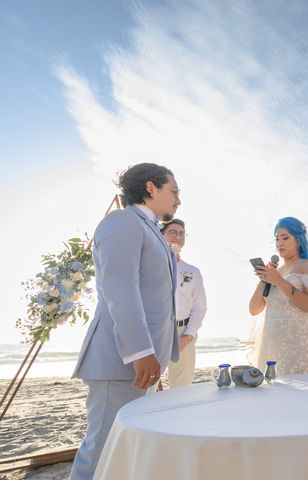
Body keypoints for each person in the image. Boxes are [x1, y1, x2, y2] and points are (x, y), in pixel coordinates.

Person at [70, 163, 181, 480]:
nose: (178, 200)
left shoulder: (150, 230)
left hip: (141, 363)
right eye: (173, 191)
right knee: (103, 450)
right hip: (122, 360)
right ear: (151, 188)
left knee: (123, 452)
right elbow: (119, 288)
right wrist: (140, 351)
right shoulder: (122, 222)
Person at [247, 217, 308, 374]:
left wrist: (279, 281)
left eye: (285, 237)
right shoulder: (275, 271)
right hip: (269, 342)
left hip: (296, 343)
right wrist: (263, 280)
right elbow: (254, 310)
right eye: (277, 239)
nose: (279, 243)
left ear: (298, 239)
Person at [161, 219, 207, 388]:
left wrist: (188, 336)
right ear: (160, 235)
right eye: (172, 232)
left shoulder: (193, 272)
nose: (177, 236)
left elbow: (199, 307)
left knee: (182, 388)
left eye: (181, 233)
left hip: (183, 331)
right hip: (156, 330)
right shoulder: (150, 267)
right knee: (148, 388)